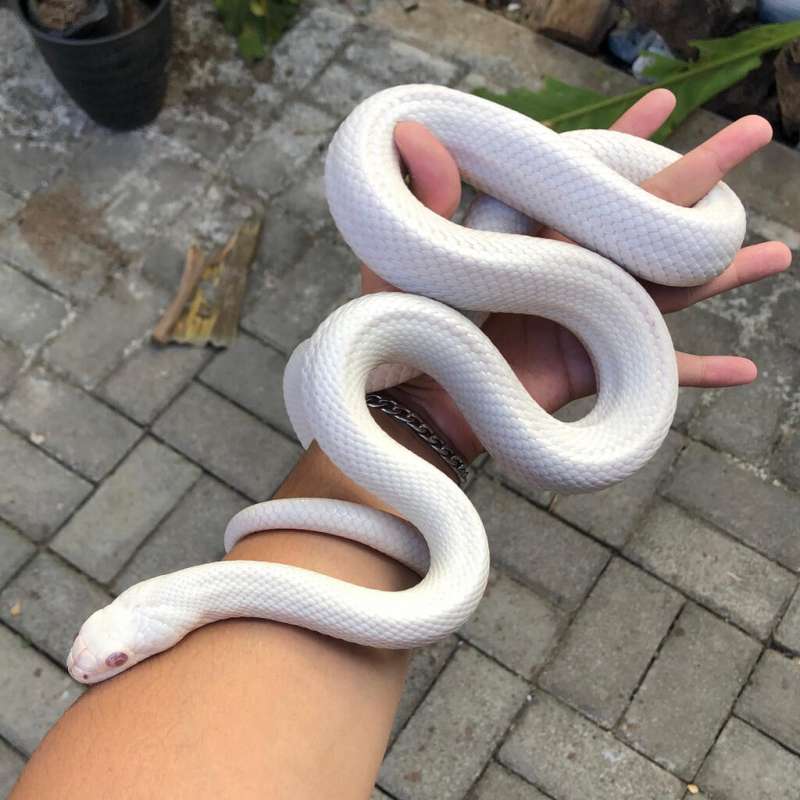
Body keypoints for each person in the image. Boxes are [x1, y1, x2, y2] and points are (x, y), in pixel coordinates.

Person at [10, 88, 792, 799]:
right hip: (403, 388)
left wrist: (416, 384)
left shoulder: (375, 328)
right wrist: (430, 401)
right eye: (112, 663)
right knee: (341, 356)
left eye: (112, 660)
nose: (94, 674)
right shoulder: (381, 349)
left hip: (402, 372)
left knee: (343, 354)